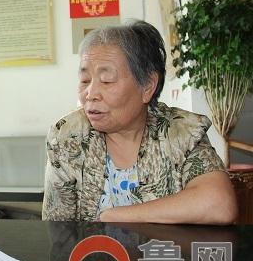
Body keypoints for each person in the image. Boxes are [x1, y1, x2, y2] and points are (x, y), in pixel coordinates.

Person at [42, 20, 237, 224]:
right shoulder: (67, 137)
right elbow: (57, 229)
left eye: (107, 81)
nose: (90, 94)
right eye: (84, 81)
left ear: (147, 86)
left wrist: (114, 216)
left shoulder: (183, 133)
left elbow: (219, 205)